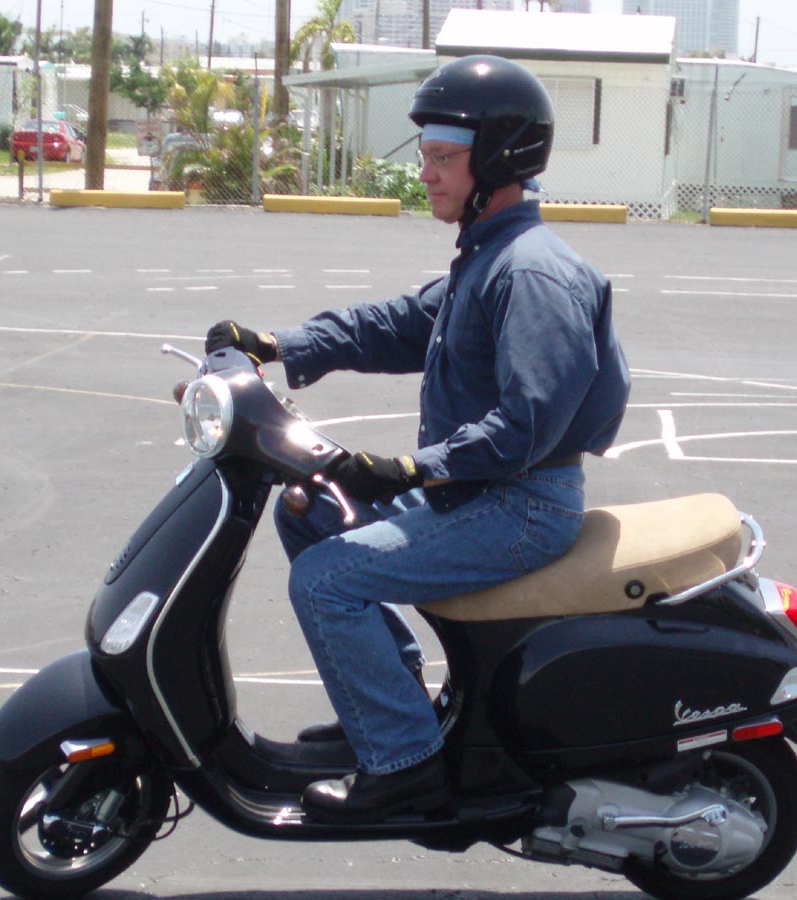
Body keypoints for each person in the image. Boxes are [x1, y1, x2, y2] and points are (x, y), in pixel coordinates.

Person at [204, 55, 631, 823]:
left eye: (442, 158)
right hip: (485, 492)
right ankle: (387, 708)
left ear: (496, 159)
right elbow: (398, 324)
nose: (426, 174)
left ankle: (405, 765)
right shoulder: (489, 257)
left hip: (521, 505)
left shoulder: (530, 273)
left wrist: (409, 469)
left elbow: (526, 425)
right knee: (309, 511)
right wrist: (276, 343)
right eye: (426, 156)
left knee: (327, 580)